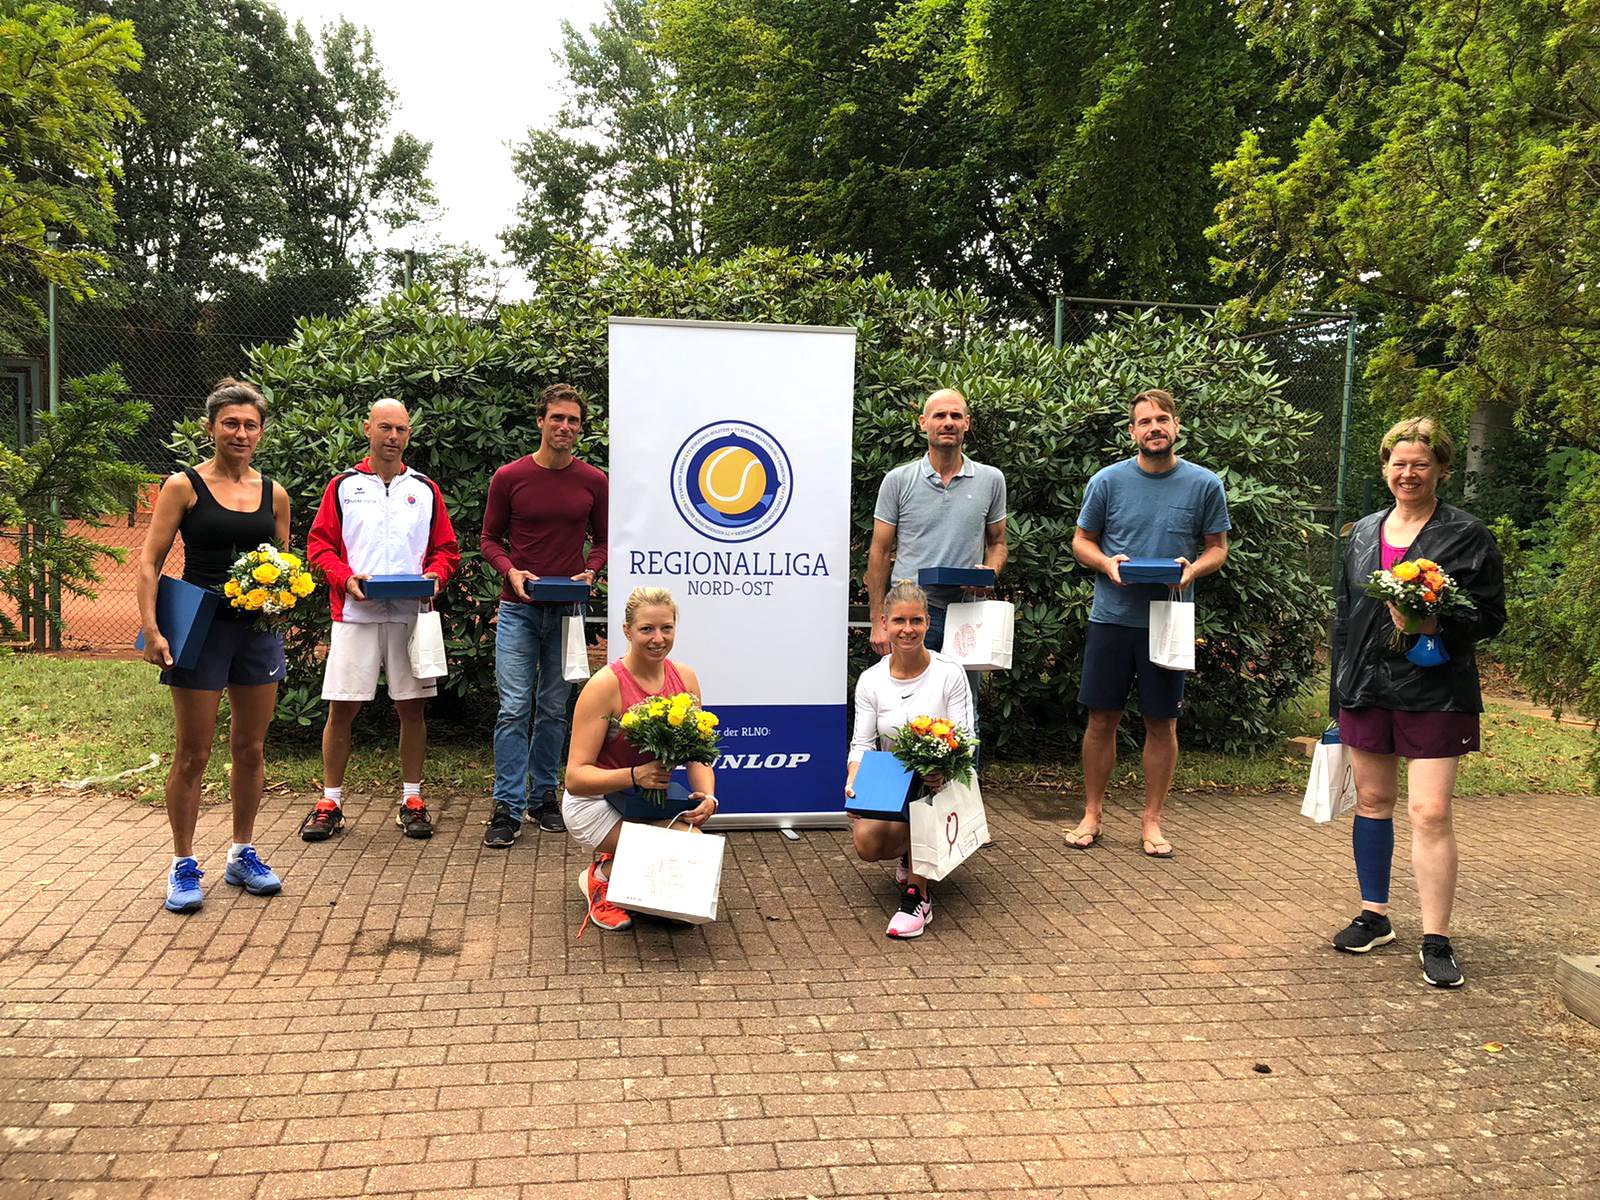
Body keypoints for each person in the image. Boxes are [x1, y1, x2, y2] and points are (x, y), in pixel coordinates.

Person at [1329, 418, 1505, 988]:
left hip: (1436, 689)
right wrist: (1338, 691)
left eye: (1420, 464)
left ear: (1441, 470)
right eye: (1398, 463)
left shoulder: (1467, 534)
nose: (1408, 473)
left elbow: (1490, 616)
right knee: (1373, 801)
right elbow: (1344, 616)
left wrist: (1435, 623)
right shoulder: (1362, 533)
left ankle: (1436, 938)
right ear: (1384, 468)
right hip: (1365, 687)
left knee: (1429, 811)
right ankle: (1374, 915)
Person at [136, 378, 290, 913]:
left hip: (256, 634)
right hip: (199, 631)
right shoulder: (183, 486)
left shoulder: (274, 493)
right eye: (230, 423)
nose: (240, 433)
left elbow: (284, 564)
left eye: (250, 425)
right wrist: (153, 628)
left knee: (250, 748)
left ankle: (242, 853)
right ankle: (182, 863)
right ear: (211, 428)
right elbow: (150, 560)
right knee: (193, 753)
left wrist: (284, 604)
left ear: (261, 432)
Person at [1067, 388, 1230, 858]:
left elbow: (1217, 548)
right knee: (1102, 718)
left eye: (1162, 419)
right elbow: (1081, 541)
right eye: (1145, 421)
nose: (1154, 428)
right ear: (1132, 431)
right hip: (1112, 617)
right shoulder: (1107, 481)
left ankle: (1152, 820)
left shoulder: (1204, 484)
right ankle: (1092, 813)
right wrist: (1106, 563)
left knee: (1162, 722)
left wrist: (1193, 570)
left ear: (1176, 426)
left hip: (1169, 619)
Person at [299, 398, 460, 843]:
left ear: (409, 435)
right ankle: (330, 801)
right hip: (355, 614)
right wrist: (344, 578)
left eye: (401, 429)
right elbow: (320, 546)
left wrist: (436, 576)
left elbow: (446, 550)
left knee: (412, 707)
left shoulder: (424, 488)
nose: (393, 436)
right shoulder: (343, 486)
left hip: (411, 615)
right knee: (342, 707)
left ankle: (412, 798)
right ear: (367, 429)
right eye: (385, 427)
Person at [481, 383, 609, 847]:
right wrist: (510, 571)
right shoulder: (509, 477)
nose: (565, 427)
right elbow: (489, 539)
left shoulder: (594, 481)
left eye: (573, 420)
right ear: (540, 421)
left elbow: (603, 541)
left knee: (554, 709)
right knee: (515, 708)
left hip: (569, 610)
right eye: (557, 417)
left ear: (580, 428)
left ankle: (543, 799)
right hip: (519, 610)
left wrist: (592, 570)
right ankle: (507, 806)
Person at [561, 587, 718, 933]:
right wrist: (635, 775)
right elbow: (575, 778)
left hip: (646, 802)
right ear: (627, 631)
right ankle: (601, 878)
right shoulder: (605, 685)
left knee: (687, 895)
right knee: (680, 849)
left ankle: (624, 863)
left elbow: (698, 754)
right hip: (594, 804)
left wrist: (708, 795)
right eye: (647, 629)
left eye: (666, 628)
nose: (658, 639)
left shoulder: (686, 679)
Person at [845, 580, 975, 939]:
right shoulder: (871, 680)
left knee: (924, 802)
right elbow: (861, 744)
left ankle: (917, 897)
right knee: (867, 843)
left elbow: (966, 740)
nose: (908, 629)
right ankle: (910, 852)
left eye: (916, 620)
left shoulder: (950, 672)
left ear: (928, 623)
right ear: (884, 623)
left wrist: (942, 771)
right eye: (899, 621)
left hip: (943, 782)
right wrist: (855, 782)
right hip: (892, 783)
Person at [866, 388, 1007, 657]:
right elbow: (879, 552)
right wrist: (877, 621)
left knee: (963, 687)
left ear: (967, 423)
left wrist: (989, 573)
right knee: (909, 685)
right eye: (940, 415)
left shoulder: (991, 480)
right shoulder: (898, 481)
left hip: (967, 612)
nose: (948, 422)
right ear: (923, 423)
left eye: (956, 416)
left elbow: (998, 543)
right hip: (911, 614)